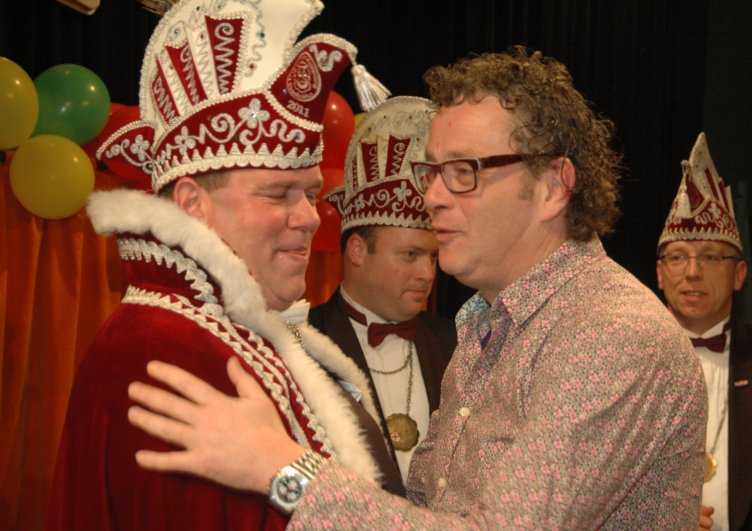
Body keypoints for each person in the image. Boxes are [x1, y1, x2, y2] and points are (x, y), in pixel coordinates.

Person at [124, 46, 708, 528]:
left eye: (464, 171)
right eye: (431, 171)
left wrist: (286, 470)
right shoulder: (484, 328)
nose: (431, 196)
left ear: (554, 185)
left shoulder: (610, 333)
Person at [45, 0, 403, 529]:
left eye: (310, 194)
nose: (310, 217)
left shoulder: (224, 332)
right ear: (193, 204)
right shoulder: (168, 349)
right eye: (278, 194)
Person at [309, 96, 456, 483]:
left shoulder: (458, 345)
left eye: (433, 257)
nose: (427, 273)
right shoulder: (301, 343)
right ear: (358, 251)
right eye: (410, 255)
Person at [656, 132, 752, 531]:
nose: (693, 272)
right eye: (678, 256)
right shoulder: (624, 361)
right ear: (660, 273)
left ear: (739, 274)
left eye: (711, 257)